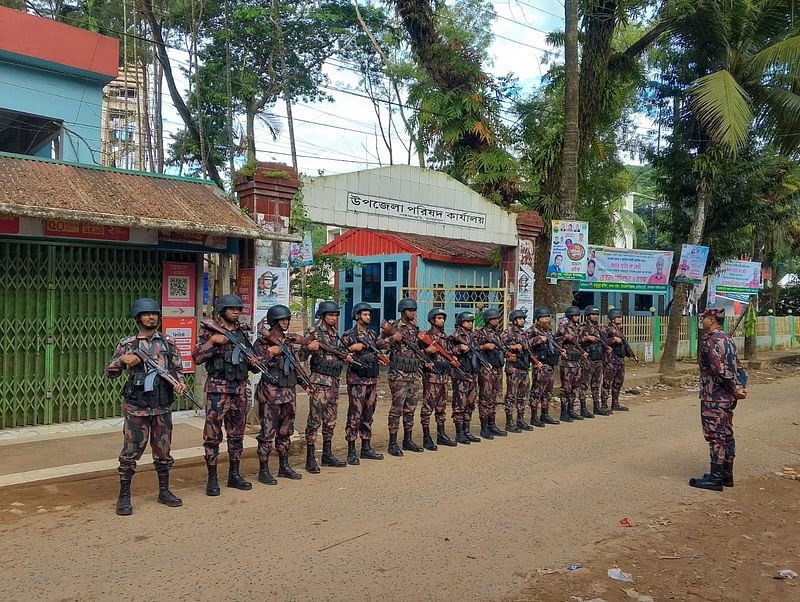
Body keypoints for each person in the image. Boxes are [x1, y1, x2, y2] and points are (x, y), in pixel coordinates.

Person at [105, 298, 185, 516]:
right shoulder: (128, 344)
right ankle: (124, 497)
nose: (152, 317)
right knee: (131, 452)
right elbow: (109, 373)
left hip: (162, 407)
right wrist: (123, 361)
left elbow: (177, 369)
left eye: (155, 314)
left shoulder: (168, 342)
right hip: (137, 408)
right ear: (138, 318)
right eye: (147, 314)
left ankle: (164, 491)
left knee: (163, 451)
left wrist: (179, 383)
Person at [192, 294, 255, 496]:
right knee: (212, 436)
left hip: (239, 389)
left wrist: (254, 361)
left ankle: (234, 474)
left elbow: (252, 355)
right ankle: (212, 478)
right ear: (222, 310)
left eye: (238, 309)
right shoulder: (209, 330)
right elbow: (197, 357)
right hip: (217, 390)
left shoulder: (242, 332)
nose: (236, 311)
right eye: (231, 308)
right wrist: (212, 341)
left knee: (236, 435)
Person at [689, 308, 747, 491]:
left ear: (712, 319)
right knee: (727, 433)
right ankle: (726, 475)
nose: (702, 321)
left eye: (704, 318)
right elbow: (739, 367)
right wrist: (740, 386)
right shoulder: (728, 339)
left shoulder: (711, 341)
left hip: (715, 397)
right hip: (728, 397)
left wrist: (733, 387)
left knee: (716, 437)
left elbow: (718, 370)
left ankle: (715, 479)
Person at [252, 304, 304, 483]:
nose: (286, 322)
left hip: (289, 393)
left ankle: (284, 466)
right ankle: (264, 470)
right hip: (270, 394)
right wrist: (270, 353)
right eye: (282, 319)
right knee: (267, 433)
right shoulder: (263, 342)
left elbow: (296, 366)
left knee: (285, 431)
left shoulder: (288, 341)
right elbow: (253, 365)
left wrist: (306, 385)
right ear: (273, 321)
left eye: (287, 319)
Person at [302, 301, 352, 474]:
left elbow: (336, 354)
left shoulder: (334, 334)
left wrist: (344, 358)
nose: (334, 317)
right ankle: (310, 458)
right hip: (319, 382)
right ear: (322, 315)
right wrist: (309, 347)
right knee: (314, 421)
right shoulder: (313, 332)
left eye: (336, 315)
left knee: (330, 421)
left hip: (334, 382)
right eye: (330, 314)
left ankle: (327, 454)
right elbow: (301, 355)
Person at [379, 298, 429, 456]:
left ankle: (408, 440)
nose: (413, 313)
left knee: (410, 408)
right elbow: (378, 344)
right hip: (399, 374)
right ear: (402, 311)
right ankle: (392, 443)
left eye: (414, 310)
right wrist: (394, 338)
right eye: (410, 310)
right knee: (396, 409)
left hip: (414, 373)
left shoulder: (415, 327)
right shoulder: (394, 327)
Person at [341, 302, 388, 464]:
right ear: (357, 316)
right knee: (355, 414)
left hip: (371, 379)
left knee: (368, 413)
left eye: (369, 314)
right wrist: (353, 348)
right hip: (357, 380)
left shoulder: (373, 334)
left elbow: (374, 353)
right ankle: (351, 450)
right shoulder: (349, 335)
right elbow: (339, 353)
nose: (368, 317)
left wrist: (379, 360)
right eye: (365, 314)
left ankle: (366, 447)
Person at [420, 308, 458, 450]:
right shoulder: (425, 336)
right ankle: (426, 436)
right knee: (427, 408)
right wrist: (426, 351)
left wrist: (452, 359)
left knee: (441, 408)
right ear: (432, 320)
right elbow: (418, 354)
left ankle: (441, 434)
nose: (442, 320)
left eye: (443, 318)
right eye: (439, 318)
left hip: (443, 377)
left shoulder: (446, 338)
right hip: (431, 377)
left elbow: (448, 354)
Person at [502, 309, 540, 432]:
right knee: (511, 396)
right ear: (514, 320)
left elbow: (528, 351)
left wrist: (536, 362)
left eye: (523, 318)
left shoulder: (524, 334)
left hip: (524, 368)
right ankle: (509, 422)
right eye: (520, 318)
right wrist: (512, 347)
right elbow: (500, 347)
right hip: (513, 368)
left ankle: (520, 419)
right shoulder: (507, 333)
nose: (522, 320)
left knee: (522, 396)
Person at [473, 307, 507, 439]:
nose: (496, 320)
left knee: (493, 398)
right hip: (486, 369)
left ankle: (492, 424)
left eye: (497, 318)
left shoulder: (498, 334)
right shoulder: (480, 333)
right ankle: (484, 427)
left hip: (497, 368)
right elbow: (473, 348)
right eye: (494, 319)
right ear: (487, 320)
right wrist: (484, 347)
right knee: (485, 398)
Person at [449, 312, 482, 444]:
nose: (470, 323)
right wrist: (460, 348)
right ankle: (459, 432)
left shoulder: (473, 336)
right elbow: (448, 351)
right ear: (461, 322)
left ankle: (466, 430)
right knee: (459, 404)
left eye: (471, 321)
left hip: (472, 374)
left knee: (470, 403)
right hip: (460, 374)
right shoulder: (455, 335)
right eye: (467, 321)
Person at [527, 307, 561, 427]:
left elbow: (553, 344)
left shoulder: (549, 331)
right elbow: (526, 344)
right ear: (538, 319)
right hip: (540, 365)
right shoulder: (533, 330)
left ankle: (545, 414)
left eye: (548, 316)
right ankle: (534, 416)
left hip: (550, 364)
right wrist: (538, 339)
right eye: (544, 317)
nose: (547, 319)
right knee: (537, 391)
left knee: (548, 392)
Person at [601, 309, 638, 413]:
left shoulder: (619, 330)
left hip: (620, 360)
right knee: (607, 383)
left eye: (620, 317)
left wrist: (631, 355)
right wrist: (613, 340)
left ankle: (615, 403)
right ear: (613, 319)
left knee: (618, 383)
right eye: (618, 317)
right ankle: (603, 405)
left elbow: (625, 344)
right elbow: (602, 342)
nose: (620, 319)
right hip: (610, 360)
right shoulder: (607, 329)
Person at [555, 306, 588, 422]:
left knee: (575, 387)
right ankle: (563, 412)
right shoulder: (563, 328)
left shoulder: (578, 328)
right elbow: (555, 342)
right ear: (570, 316)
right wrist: (565, 337)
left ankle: (571, 409)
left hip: (577, 361)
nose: (578, 317)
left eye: (578, 315)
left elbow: (580, 342)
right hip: (567, 363)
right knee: (566, 388)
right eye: (575, 315)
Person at [578, 305, 610, 417]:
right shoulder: (582, 327)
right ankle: (583, 408)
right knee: (584, 384)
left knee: (596, 384)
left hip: (598, 359)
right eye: (593, 314)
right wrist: (587, 338)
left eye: (596, 314)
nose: (595, 316)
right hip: (588, 359)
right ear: (588, 315)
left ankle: (597, 406)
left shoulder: (598, 327)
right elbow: (576, 341)